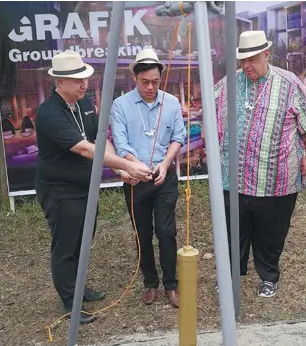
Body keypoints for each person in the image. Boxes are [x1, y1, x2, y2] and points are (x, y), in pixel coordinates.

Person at [35, 50, 152, 324]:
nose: (84, 84)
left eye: (84, 79)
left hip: (85, 188)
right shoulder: (50, 113)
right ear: (59, 82)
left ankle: (78, 289)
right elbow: (85, 149)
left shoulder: (84, 104)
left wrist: (120, 167)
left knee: (83, 239)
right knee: (66, 244)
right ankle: (70, 302)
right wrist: (126, 167)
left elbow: (101, 138)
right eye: (77, 80)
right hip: (60, 191)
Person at [214, 31, 306, 297]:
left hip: (276, 177)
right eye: (242, 61)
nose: (246, 66)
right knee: (232, 230)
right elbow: (210, 115)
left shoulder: (289, 83)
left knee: (271, 232)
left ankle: (268, 276)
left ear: (266, 54)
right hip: (233, 176)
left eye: (252, 59)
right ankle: (231, 277)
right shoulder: (228, 84)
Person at [110, 49, 186, 308]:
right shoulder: (120, 105)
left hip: (164, 177)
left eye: (155, 81)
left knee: (166, 232)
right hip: (134, 180)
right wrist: (136, 167)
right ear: (135, 77)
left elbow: (178, 137)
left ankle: (171, 285)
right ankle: (150, 283)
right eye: (145, 82)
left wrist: (165, 164)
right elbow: (120, 144)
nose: (151, 87)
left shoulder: (172, 103)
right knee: (143, 233)